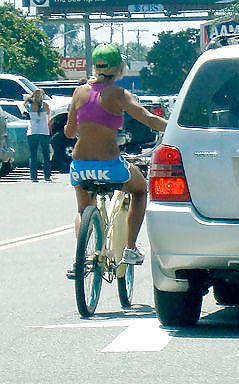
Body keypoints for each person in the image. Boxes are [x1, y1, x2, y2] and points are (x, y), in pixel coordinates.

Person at [64, 43, 167, 276]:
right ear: (120, 68)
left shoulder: (79, 92)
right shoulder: (120, 95)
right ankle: (130, 248)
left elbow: (69, 133)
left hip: (80, 167)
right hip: (110, 167)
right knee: (140, 189)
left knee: (83, 210)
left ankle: (80, 258)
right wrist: (175, 128)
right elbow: (147, 118)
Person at [23, 89, 52, 182]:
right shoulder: (45, 105)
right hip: (43, 132)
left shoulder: (30, 105)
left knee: (33, 155)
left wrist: (30, 98)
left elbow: (24, 104)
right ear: (42, 96)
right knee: (46, 154)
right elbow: (50, 116)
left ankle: (33, 177)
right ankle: (47, 176)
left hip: (32, 132)